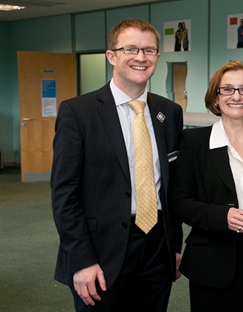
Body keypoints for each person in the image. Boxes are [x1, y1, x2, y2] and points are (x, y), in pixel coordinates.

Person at [51, 18, 184, 311]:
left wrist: (174, 247)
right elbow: (64, 194)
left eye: (149, 50)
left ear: (158, 58)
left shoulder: (169, 112)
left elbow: (171, 187)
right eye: (131, 49)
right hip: (101, 250)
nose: (141, 58)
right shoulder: (78, 112)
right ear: (111, 56)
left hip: (156, 247)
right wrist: (82, 260)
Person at [171, 60, 243, 312]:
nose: (237, 96)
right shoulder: (194, 142)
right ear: (215, 98)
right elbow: (179, 201)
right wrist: (221, 216)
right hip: (212, 260)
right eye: (227, 89)